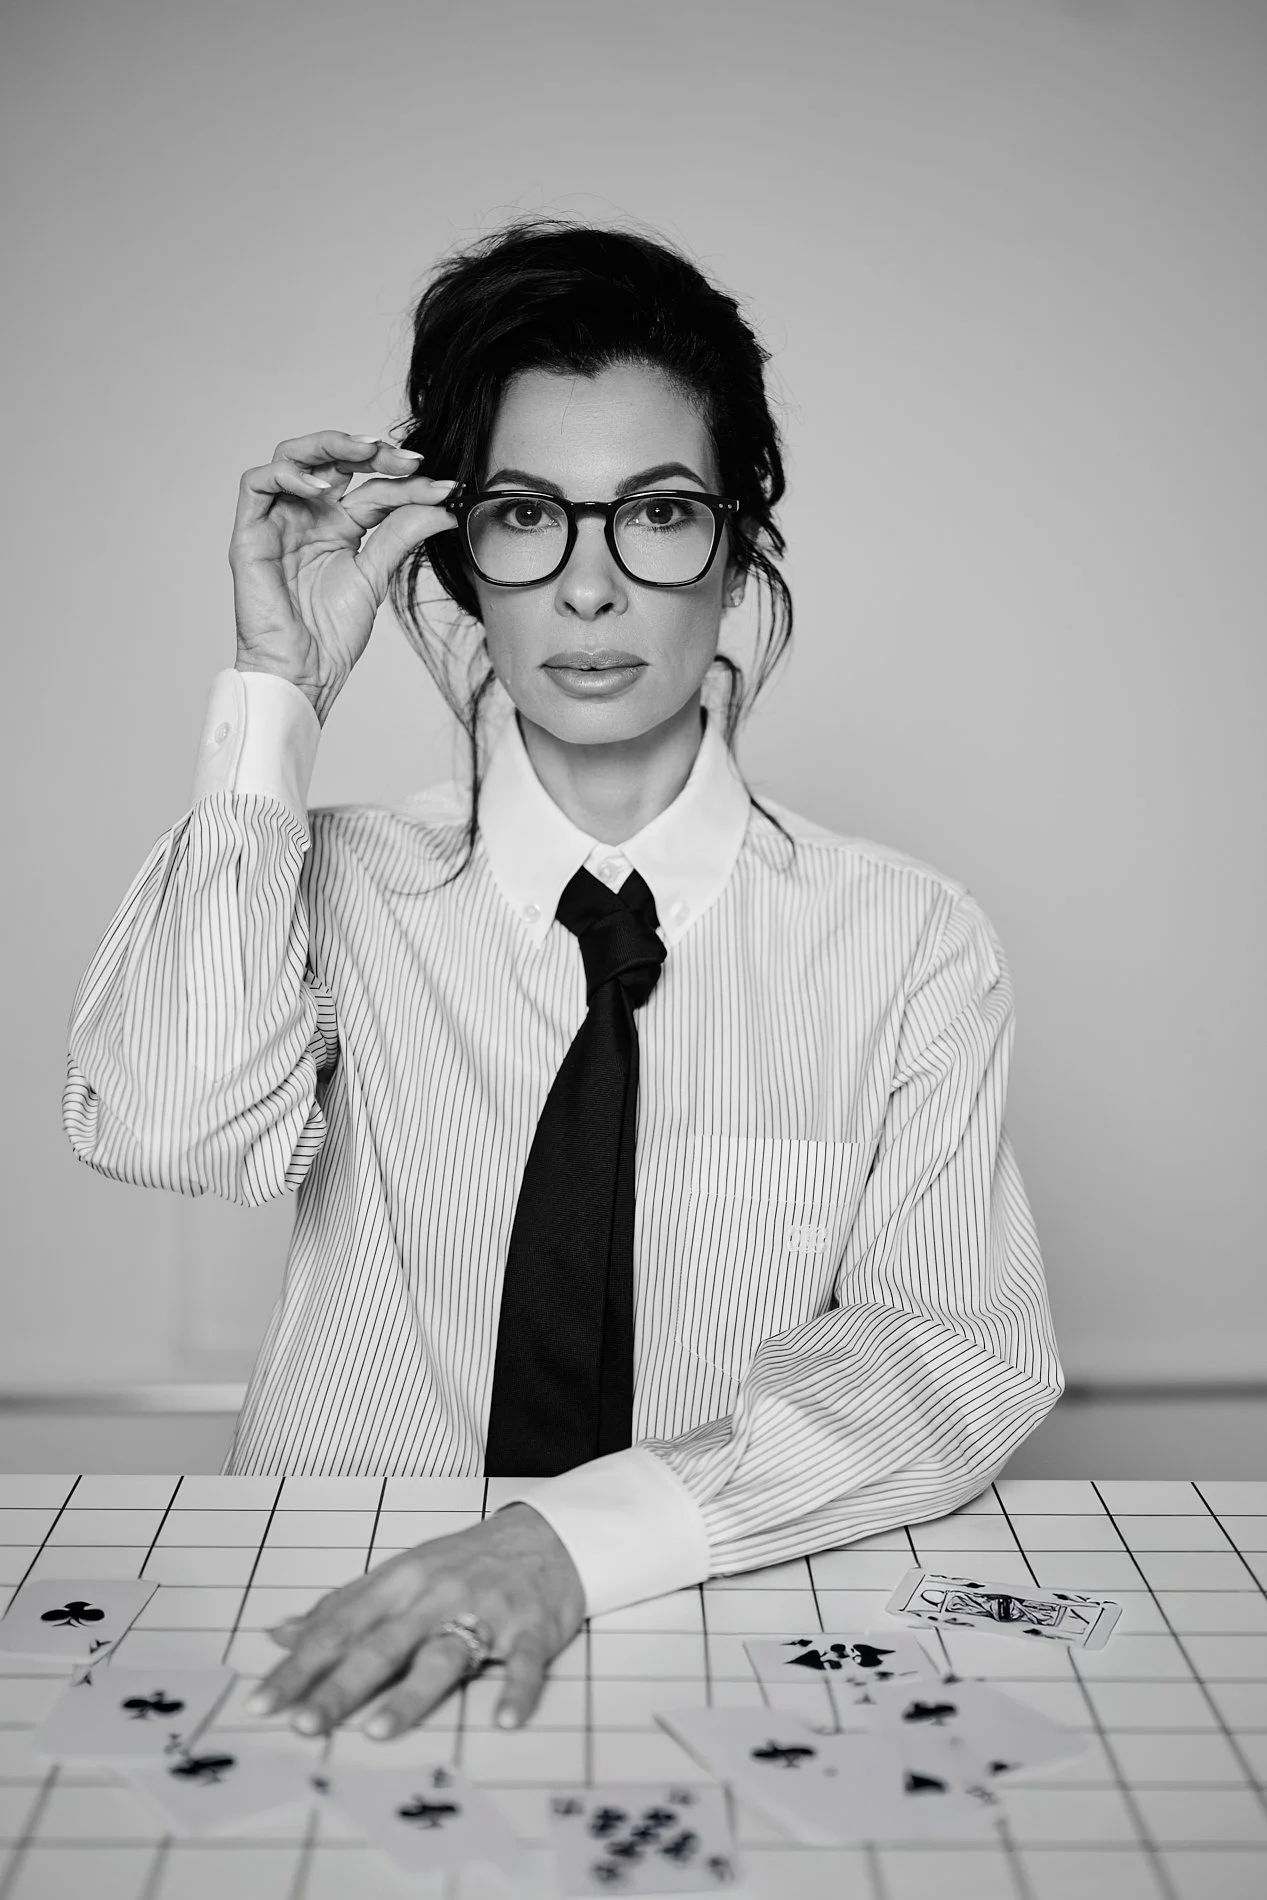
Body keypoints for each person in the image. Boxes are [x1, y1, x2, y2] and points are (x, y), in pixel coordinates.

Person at [62, 217, 1063, 1744]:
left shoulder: (906, 940)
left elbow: (946, 1354)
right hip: (337, 1623)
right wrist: (278, 690)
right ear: (458, 557)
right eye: (527, 514)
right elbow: (167, 1132)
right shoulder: (331, 884)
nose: (589, 590)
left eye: (656, 513)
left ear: (737, 551)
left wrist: (568, 1543)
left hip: (711, 1632)